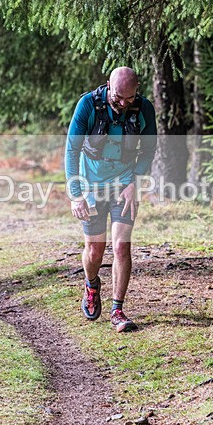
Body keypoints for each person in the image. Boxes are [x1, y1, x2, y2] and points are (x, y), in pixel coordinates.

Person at [64, 67, 157, 332]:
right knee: (95, 250)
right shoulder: (88, 104)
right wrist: (76, 194)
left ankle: (118, 309)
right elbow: (72, 150)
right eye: (118, 98)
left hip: (124, 182)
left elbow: (149, 150)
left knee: (120, 246)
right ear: (108, 86)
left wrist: (135, 182)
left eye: (129, 99)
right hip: (91, 184)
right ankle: (92, 284)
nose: (123, 104)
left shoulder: (144, 109)